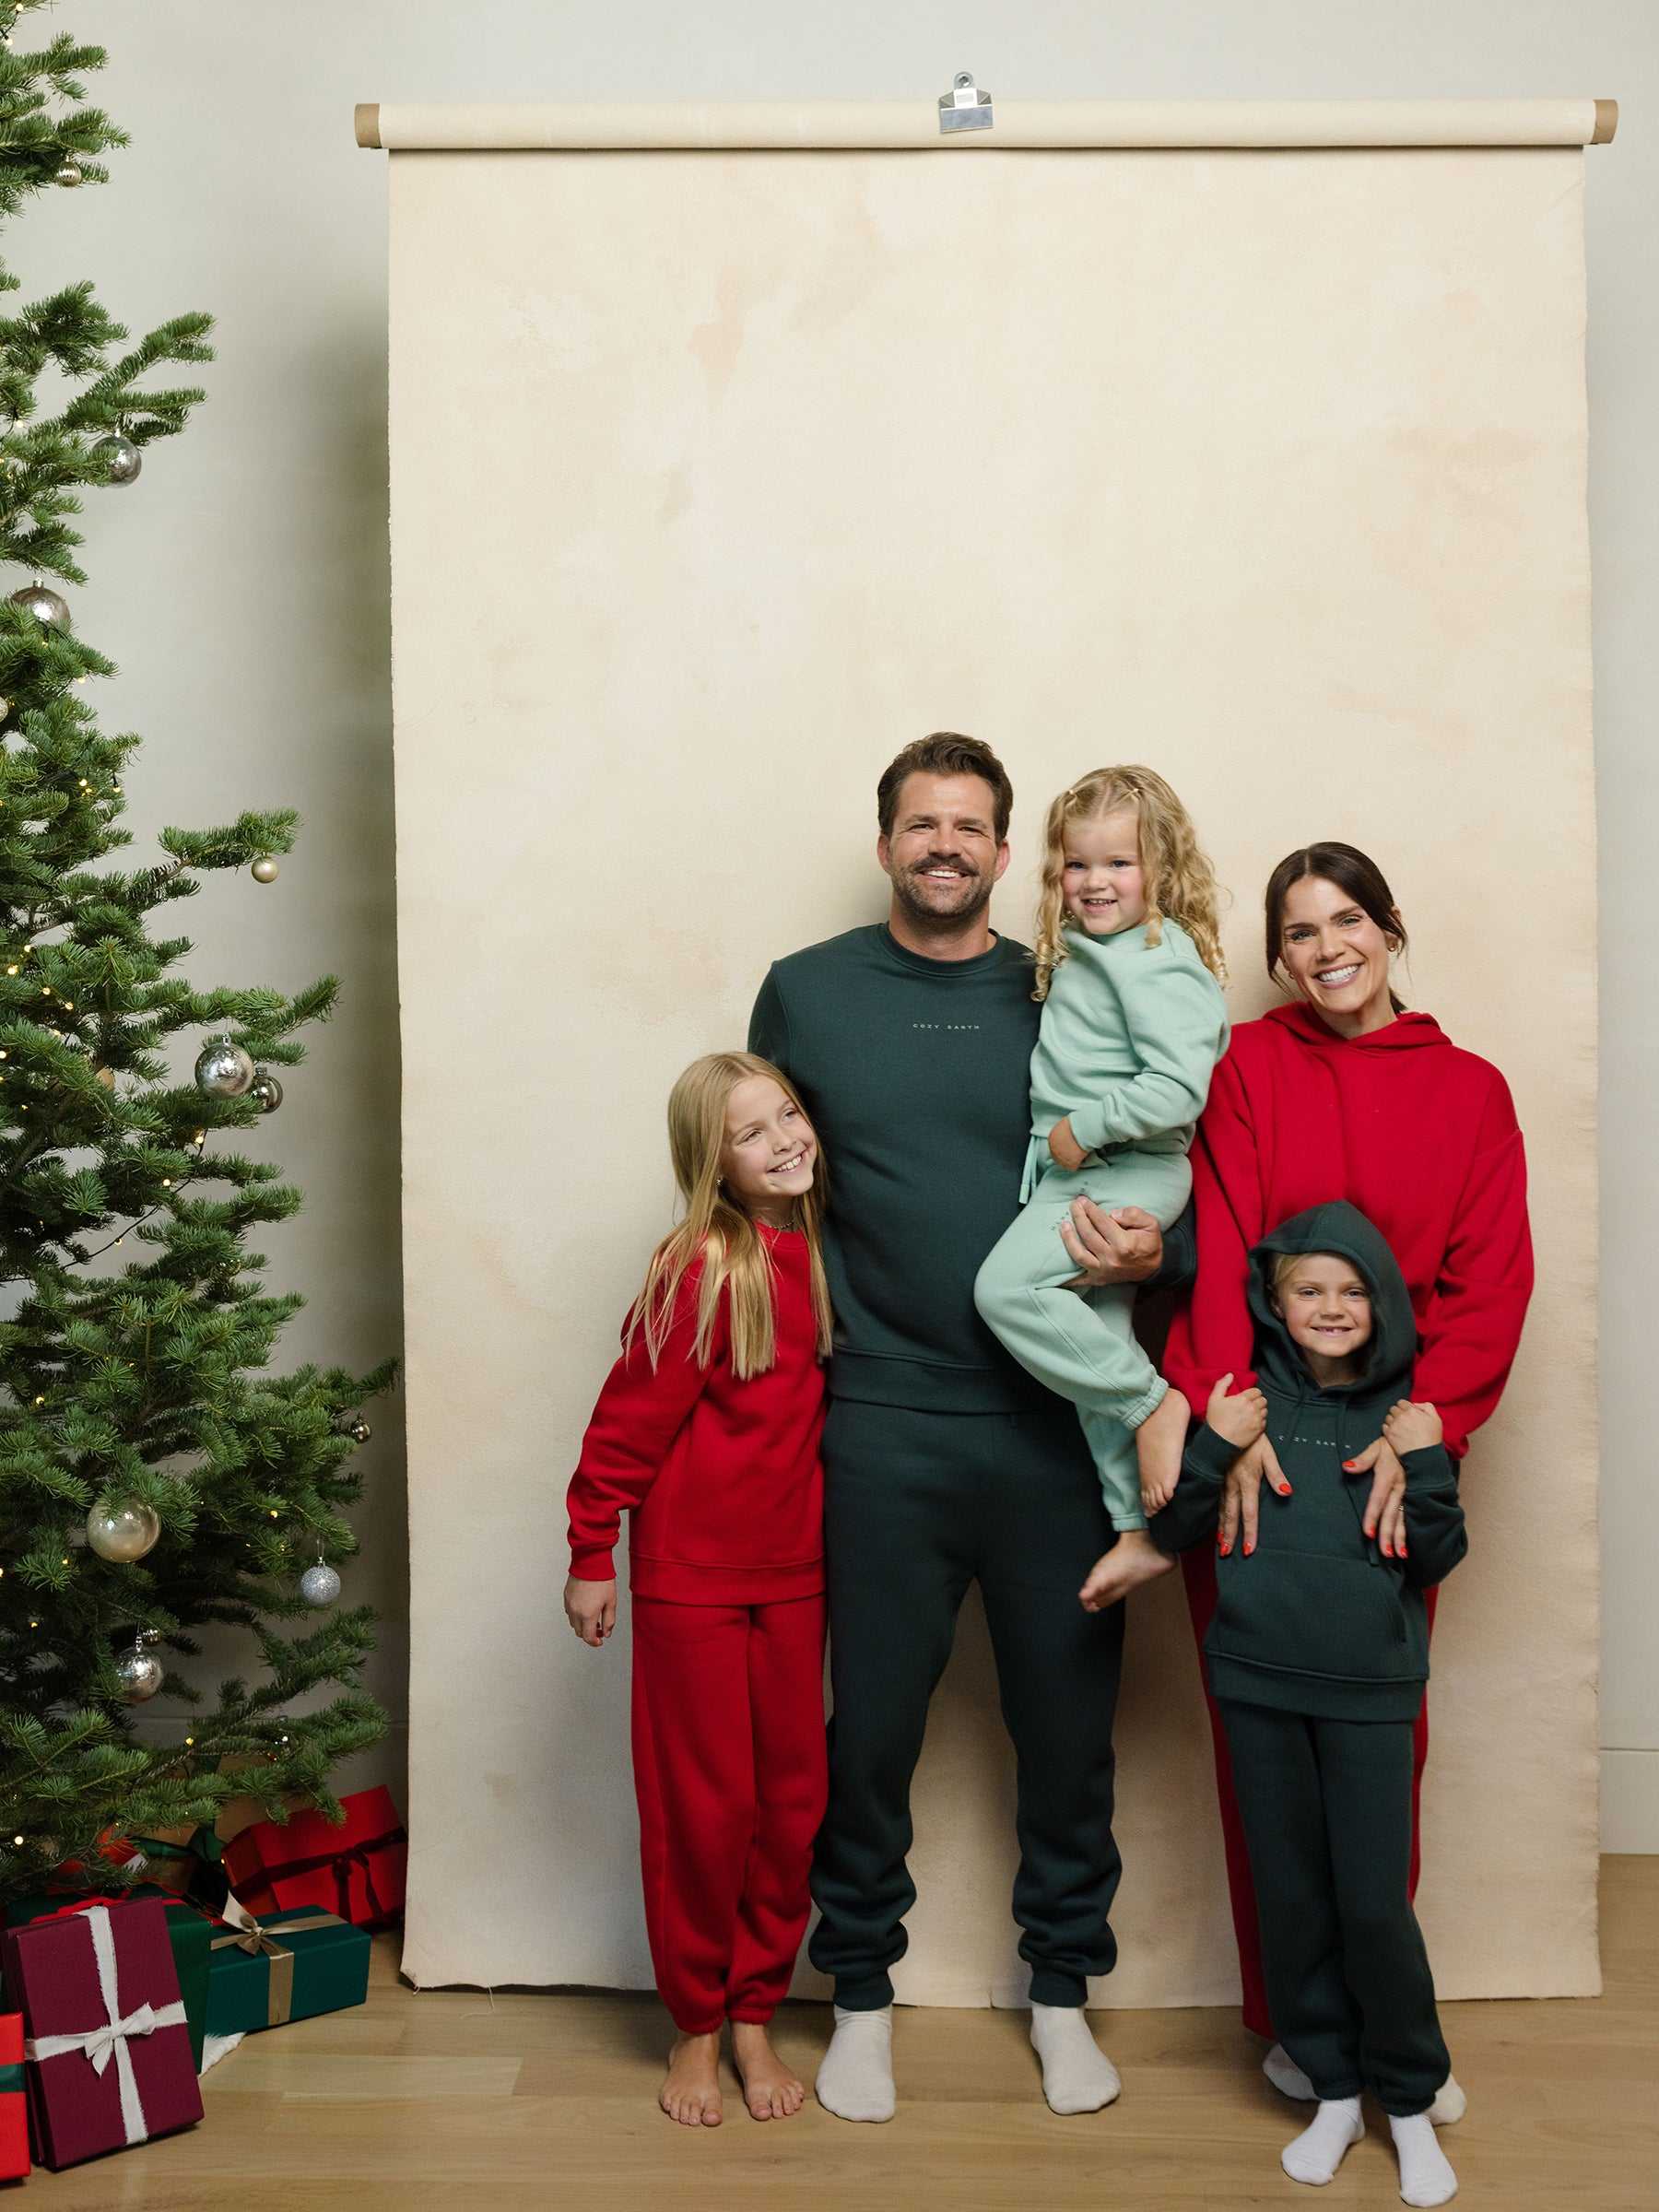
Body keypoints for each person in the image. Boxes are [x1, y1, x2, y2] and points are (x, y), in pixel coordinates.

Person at [749, 732, 1174, 2124]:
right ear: (886, 844)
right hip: (881, 1423)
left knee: (1069, 1735)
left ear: (1007, 854)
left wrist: (1144, 1266)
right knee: (869, 1730)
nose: (945, 846)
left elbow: (1171, 1160)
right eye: (920, 824)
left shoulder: (1070, 982)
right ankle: (859, 1995)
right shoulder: (806, 994)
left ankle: (1062, 1996)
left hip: (1054, 1433)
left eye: (971, 827)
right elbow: (765, 1201)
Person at [1161, 841, 1533, 2112]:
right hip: (1262, 1446)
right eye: (1302, 932)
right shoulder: (1254, 1064)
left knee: (1380, 1765)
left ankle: (1390, 2028)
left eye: (1349, 921)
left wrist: (1429, 1431)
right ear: (1278, 957)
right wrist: (1229, 1420)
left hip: (1388, 1458)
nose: (1329, 949)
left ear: (1389, 931)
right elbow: (1216, 1244)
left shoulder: (1473, 1092)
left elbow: (1493, 1285)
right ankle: (1294, 2023)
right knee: (1257, 1764)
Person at [1154, 1202, 1465, 2209]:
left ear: (1380, 1303)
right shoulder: (1241, 1404)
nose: (1331, 1308)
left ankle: (1409, 2104)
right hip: (1255, 1684)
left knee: (1373, 1905)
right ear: (1274, 1301)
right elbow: (1183, 1529)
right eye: (1308, 1290)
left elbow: (1440, 1554)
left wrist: (1423, 1460)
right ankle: (1332, 2088)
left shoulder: (1410, 1413)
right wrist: (1212, 1444)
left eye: (1351, 1291)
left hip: (1372, 1694)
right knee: (1291, 1898)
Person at [562, 1052, 833, 2129]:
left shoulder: (815, 1253)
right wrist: (592, 1552)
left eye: (791, 1115)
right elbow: (627, 1419)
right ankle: (698, 2025)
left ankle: (758, 2010)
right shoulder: (702, 1264)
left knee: (789, 1810)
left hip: (795, 1578)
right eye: (752, 1132)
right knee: (704, 1812)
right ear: (710, 1162)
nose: (784, 1140)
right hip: (692, 1585)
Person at [972, 766, 1230, 1607]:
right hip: (1085, 1172)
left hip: (1121, 1171)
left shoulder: (1156, 955)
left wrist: (1081, 1129)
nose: (1094, 883)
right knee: (1094, 1359)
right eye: (1078, 866)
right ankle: (1137, 1530)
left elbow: (1178, 1086)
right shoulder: (1101, 949)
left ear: (1159, 870)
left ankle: (1156, 1407)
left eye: (1118, 864)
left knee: (1005, 1291)